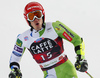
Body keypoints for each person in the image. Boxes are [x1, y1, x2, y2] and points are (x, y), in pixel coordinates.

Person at [8, 1, 88, 78]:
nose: (36, 19)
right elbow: (15, 58)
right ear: (27, 19)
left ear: (43, 15)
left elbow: (77, 40)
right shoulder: (22, 38)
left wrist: (81, 58)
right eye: (32, 16)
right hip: (48, 74)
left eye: (38, 14)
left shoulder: (55, 27)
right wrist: (15, 70)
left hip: (67, 72)